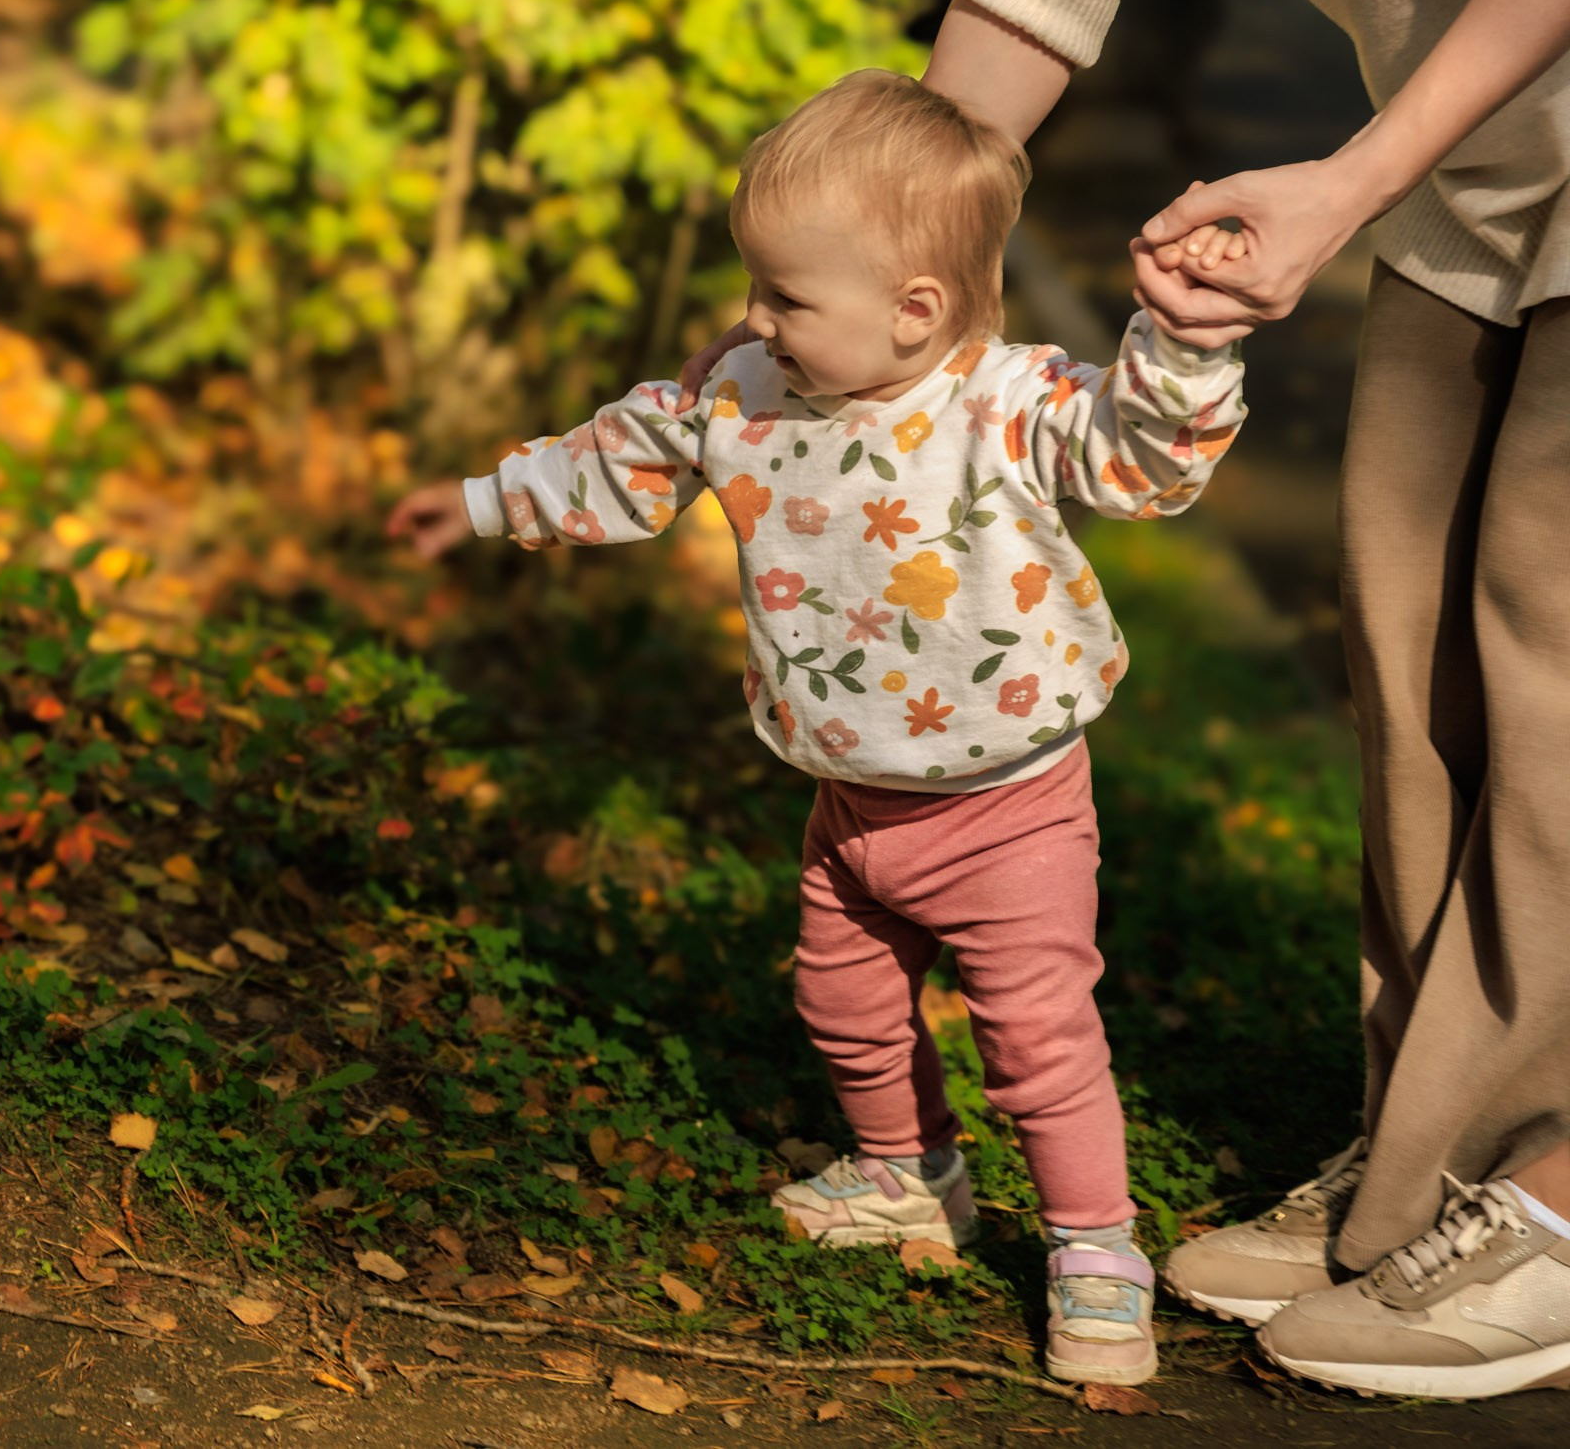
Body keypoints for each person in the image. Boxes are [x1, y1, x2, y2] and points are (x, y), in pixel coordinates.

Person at [671, 0, 1570, 1399]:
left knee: (1557, 664)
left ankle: (1556, 1198)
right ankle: (1428, 1157)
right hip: (1474, 172)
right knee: (1423, 656)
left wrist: (1351, 183)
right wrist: (890, 257)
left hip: (1434, 145)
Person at [388, 70, 1247, 1385]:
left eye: (785, 297)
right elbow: (631, 456)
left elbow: (1141, 462)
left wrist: (1183, 349)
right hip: (848, 804)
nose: (752, 319)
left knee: (1038, 1040)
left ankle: (1094, 1247)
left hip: (1006, 808)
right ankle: (912, 1177)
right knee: (840, 997)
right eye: (756, 288)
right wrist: (488, 504)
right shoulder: (748, 392)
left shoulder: (1007, 406)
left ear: (916, 309)